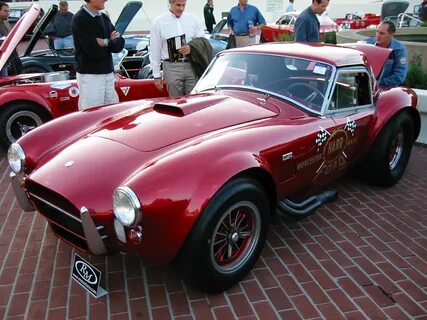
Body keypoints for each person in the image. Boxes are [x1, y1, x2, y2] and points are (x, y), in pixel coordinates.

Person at [72, 0, 124, 110]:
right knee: (93, 112)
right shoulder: (80, 19)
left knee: (112, 109)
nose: (106, 0)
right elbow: (92, 50)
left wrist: (105, 42)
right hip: (91, 74)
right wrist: (110, 41)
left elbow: (119, 44)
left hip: (108, 73)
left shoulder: (104, 17)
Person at [150, 0, 205, 97]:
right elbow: (155, 50)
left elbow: (202, 40)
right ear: (170, 3)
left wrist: (191, 48)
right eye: (178, 5)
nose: (181, 8)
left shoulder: (193, 19)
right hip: (171, 67)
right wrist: (157, 75)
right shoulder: (158, 23)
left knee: (194, 101)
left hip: (192, 65)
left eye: (184, 5)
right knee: (176, 103)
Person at [366, 21, 408, 88]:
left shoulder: (399, 49)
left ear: (391, 34)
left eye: (382, 33)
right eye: (377, 32)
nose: (378, 36)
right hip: (365, 85)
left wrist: (377, 83)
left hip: (385, 88)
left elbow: (399, 76)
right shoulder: (367, 44)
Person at [0, 1, 21, 76]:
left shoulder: (6, 22)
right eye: (5, 11)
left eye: (8, 11)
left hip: (9, 57)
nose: (8, 13)